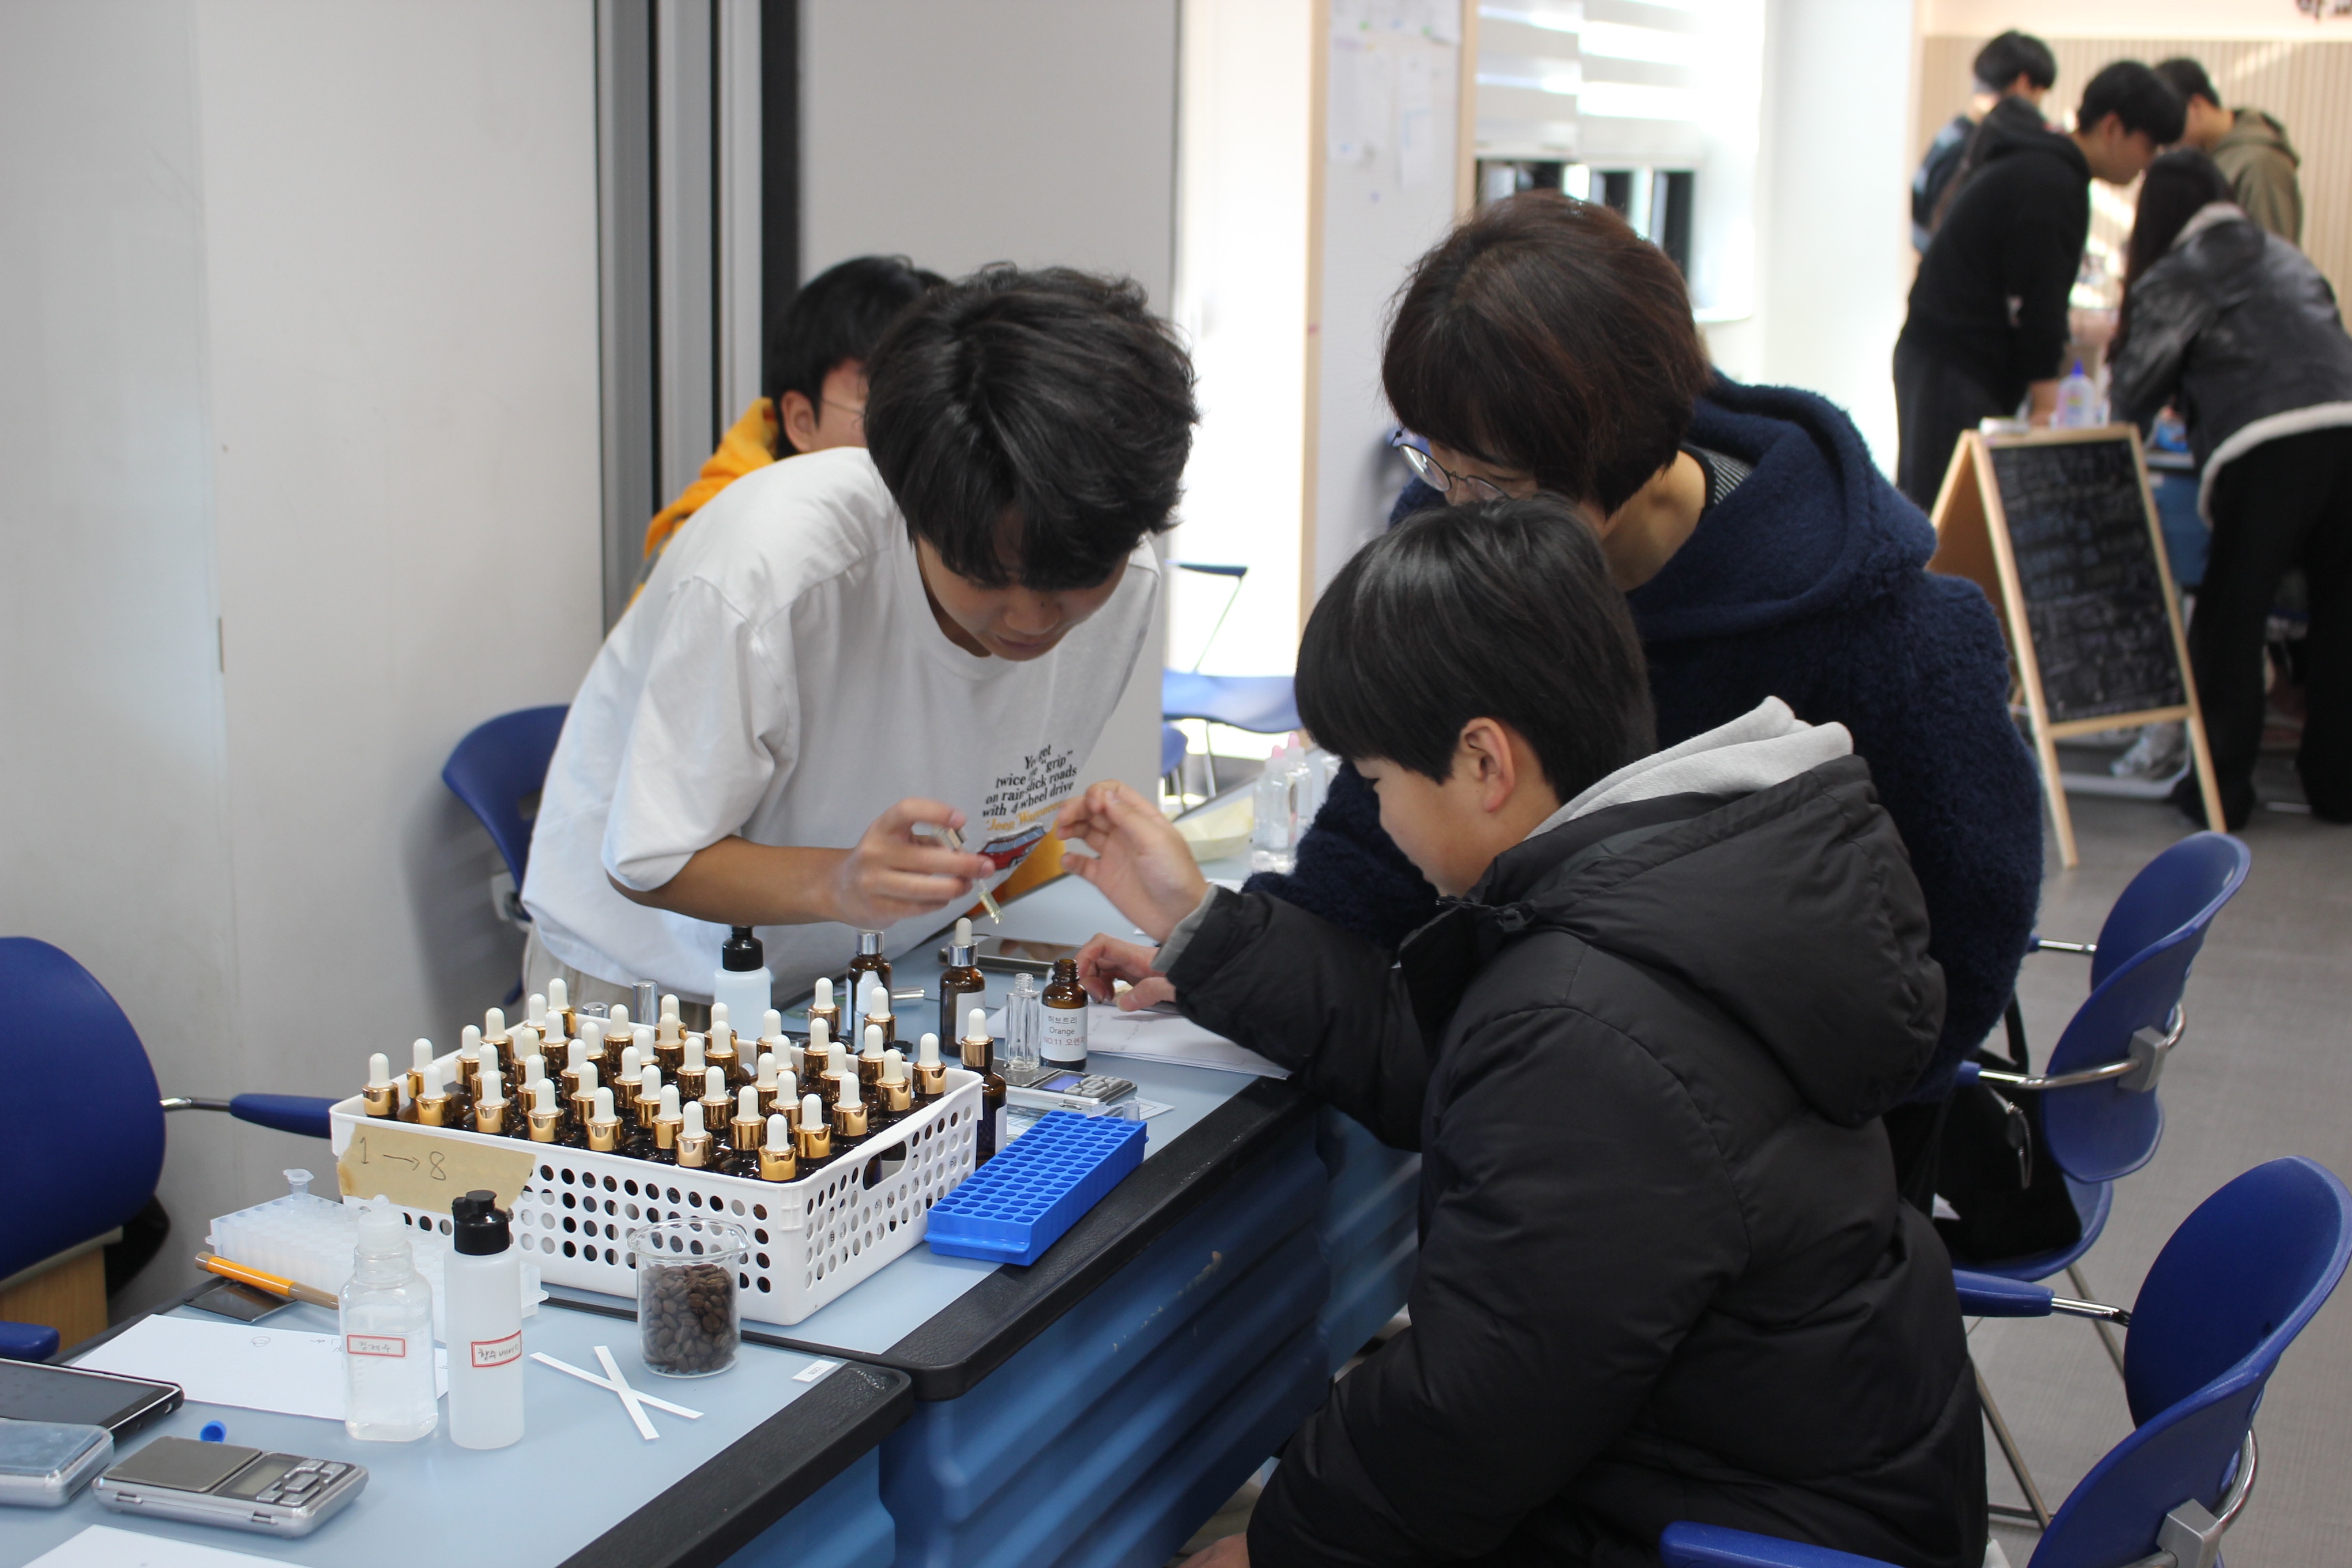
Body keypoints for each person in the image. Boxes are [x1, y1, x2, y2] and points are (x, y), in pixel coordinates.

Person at [1060, 501, 1986, 1568]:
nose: (1380, 820)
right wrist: (1203, 928)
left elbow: (1474, 1409)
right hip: (1794, 1474)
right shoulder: (1685, 886)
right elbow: (1448, 1063)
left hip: (1713, 1531)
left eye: (1376, 782)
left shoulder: (1586, 1021)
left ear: (1484, 763)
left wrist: (1281, 1549)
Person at [1232, 193, 2039, 1207]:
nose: (1454, 509)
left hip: (1772, 1182)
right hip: (1533, 1102)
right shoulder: (1458, 526)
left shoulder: (1882, 636)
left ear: (1628, 455)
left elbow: (1965, 944)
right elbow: (1378, 823)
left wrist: (1732, 1119)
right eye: (1436, 461)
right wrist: (1259, 959)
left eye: (1495, 484)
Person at [519, 266, 1197, 1002]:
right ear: (911, 507)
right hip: (649, 986)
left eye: (1073, 580)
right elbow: (650, 859)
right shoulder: (772, 573)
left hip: (868, 971)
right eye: (987, 575)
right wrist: (839, 880)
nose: (1032, 620)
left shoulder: (1126, 575)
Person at [2108, 150, 2352, 829]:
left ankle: (2222, 796)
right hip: (2348, 428)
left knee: (2231, 619)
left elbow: (2131, 395)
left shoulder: (2176, 274)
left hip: (2267, 448)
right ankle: (2338, 789)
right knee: (2341, 619)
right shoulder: (2286, 255)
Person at [1895, 60, 2183, 509]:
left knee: (1953, 506)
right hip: (1951, 363)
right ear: (2113, 127)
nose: (2148, 164)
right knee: (1939, 510)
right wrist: (2047, 406)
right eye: (2149, 146)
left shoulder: (2050, 169)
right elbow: (2038, 304)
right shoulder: (2052, 180)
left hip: (1949, 360)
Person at [636, 255, 945, 589]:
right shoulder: (722, 547)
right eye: (881, 399)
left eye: (930, 400)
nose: (913, 428)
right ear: (802, 421)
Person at [1912, 30, 2057, 252]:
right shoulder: (1971, 148)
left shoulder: (1953, 134)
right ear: (2022, 84)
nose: (2038, 107)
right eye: (2039, 95)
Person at [2153, 58, 2302, 246]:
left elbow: (2274, 255)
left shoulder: (2261, 164)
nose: (2166, 141)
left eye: (2169, 125)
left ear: (2196, 107)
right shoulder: (2208, 158)